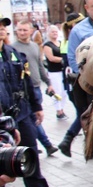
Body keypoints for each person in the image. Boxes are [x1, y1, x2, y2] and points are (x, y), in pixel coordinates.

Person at [0, 15, 67, 187]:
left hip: (21, 114)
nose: (2, 29)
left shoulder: (13, 53)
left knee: (29, 158)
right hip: (2, 121)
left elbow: (26, 81)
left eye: (3, 26)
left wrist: (37, 106)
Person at [58, 0, 93, 158]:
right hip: (92, 86)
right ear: (87, 8)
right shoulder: (78, 30)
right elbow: (73, 60)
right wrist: (88, 79)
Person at [12, 20, 59, 157]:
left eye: (24, 30)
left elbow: (40, 66)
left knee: (35, 118)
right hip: (23, 90)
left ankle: (33, 142)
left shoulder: (34, 46)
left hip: (36, 87)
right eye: (19, 30)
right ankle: (47, 144)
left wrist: (48, 82)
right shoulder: (14, 48)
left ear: (30, 31)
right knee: (32, 118)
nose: (22, 33)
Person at [43, 25, 69, 120]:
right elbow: (51, 58)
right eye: (52, 32)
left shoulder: (61, 43)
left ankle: (62, 108)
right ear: (48, 33)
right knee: (57, 91)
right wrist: (63, 60)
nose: (54, 33)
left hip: (62, 71)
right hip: (54, 72)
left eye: (56, 31)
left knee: (64, 91)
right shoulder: (47, 45)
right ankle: (58, 111)